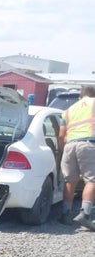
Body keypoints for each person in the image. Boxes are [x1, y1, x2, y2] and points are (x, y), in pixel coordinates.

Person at [58, 85, 95, 230]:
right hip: (89, 144)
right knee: (92, 180)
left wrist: (62, 150)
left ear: (80, 96)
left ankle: (65, 214)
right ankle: (85, 215)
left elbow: (61, 135)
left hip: (70, 145)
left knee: (70, 181)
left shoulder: (68, 111)